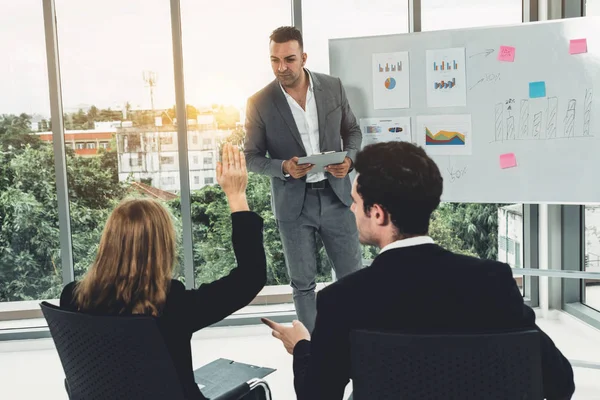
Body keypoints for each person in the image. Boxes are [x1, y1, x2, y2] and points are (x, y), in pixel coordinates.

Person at [263, 141, 575, 400]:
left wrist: (302, 345)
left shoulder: (342, 299)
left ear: (378, 213)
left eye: (355, 201)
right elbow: (560, 382)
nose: (351, 209)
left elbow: (316, 397)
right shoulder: (492, 280)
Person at [60, 144, 267, 400]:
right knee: (257, 388)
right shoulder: (172, 303)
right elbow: (251, 277)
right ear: (163, 247)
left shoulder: (72, 297)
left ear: (108, 242)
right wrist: (236, 197)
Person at [244, 26, 363, 333]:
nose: (281, 67)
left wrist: (349, 159)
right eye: (274, 60)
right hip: (293, 206)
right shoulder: (260, 102)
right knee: (303, 284)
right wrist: (283, 166)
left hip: (337, 197)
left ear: (303, 57)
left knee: (352, 278)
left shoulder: (332, 87)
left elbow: (353, 131)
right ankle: (312, 352)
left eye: (289, 59)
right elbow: (251, 156)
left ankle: (355, 341)